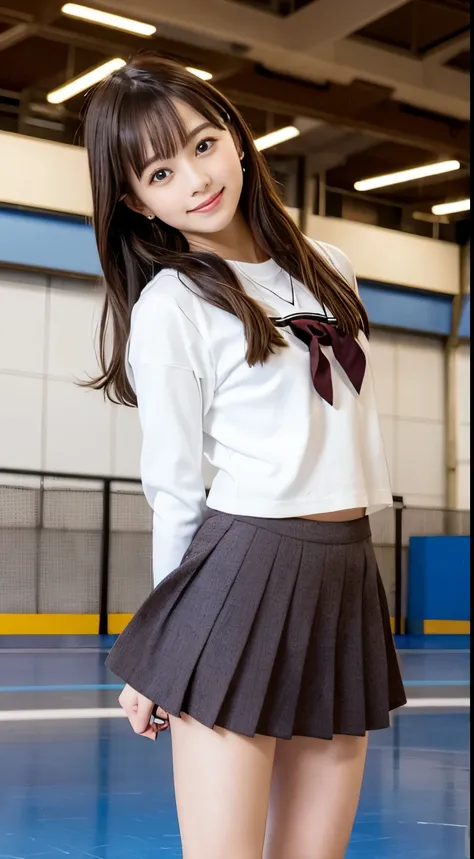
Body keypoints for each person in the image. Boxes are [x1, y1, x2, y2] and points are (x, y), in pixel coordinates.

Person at [82, 53, 406, 859]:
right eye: (160, 171)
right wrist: (165, 645)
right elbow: (175, 488)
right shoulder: (173, 303)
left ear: (233, 134)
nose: (193, 178)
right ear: (136, 202)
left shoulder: (330, 266)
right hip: (240, 576)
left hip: (345, 572)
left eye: (200, 144)